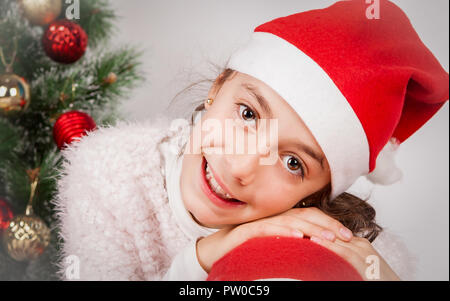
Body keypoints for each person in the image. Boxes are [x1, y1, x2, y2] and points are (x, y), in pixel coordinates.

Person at [54, 0, 448, 281]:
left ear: (317, 195)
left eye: (294, 163)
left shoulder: (351, 247)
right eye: (248, 114)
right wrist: (204, 257)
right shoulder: (107, 175)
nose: (240, 168)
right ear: (217, 88)